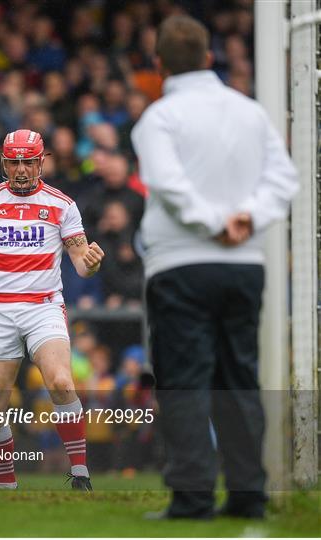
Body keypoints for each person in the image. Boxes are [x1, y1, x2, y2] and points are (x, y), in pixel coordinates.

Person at [131, 15, 299, 519]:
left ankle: (192, 496)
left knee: (184, 380)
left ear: (159, 65)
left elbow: (168, 183)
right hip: (244, 263)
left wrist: (213, 223)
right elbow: (284, 179)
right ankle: (248, 494)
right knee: (239, 378)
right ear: (209, 59)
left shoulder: (158, 119)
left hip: (181, 264)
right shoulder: (251, 113)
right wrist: (245, 220)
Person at [0, 129, 104, 491]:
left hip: (44, 308)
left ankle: (80, 474)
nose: (21, 169)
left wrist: (92, 262)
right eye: (14, 161)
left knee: (60, 382)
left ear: (42, 161)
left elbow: (81, 262)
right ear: (3, 162)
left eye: (28, 161)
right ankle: (6, 488)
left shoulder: (62, 205)